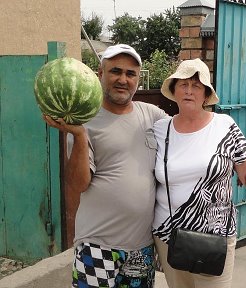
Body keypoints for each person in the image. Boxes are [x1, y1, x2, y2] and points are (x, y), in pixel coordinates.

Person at [43, 44, 167, 288]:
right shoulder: (84, 120)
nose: (123, 79)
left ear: (138, 79)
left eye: (130, 74)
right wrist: (79, 135)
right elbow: (79, 184)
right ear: (100, 74)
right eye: (115, 71)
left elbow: (187, 135)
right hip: (97, 246)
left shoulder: (153, 116)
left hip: (141, 247)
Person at [152, 58, 246, 288]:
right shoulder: (159, 129)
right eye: (183, 84)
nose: (188, 91)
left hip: (214, 239)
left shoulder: (224, 126)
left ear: (206, 94)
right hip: (168, 237)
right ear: (174, 90)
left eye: (196, 86)